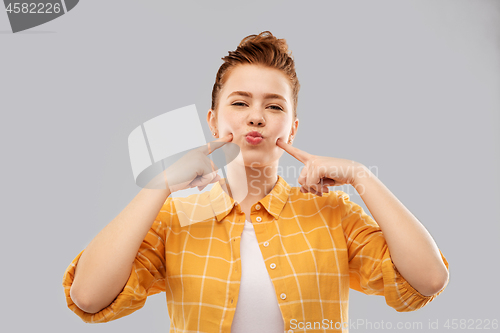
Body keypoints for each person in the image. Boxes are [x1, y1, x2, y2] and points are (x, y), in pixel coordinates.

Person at [62, 31, 450, 333]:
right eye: (240, 102)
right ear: (213, 120)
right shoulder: (177, 219)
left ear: (292, 128)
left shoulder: (331, 213)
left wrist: (362, 176)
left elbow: (429, 279)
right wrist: (160, 184)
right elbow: (89, 296)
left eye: (274, 106)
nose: (256, 117)